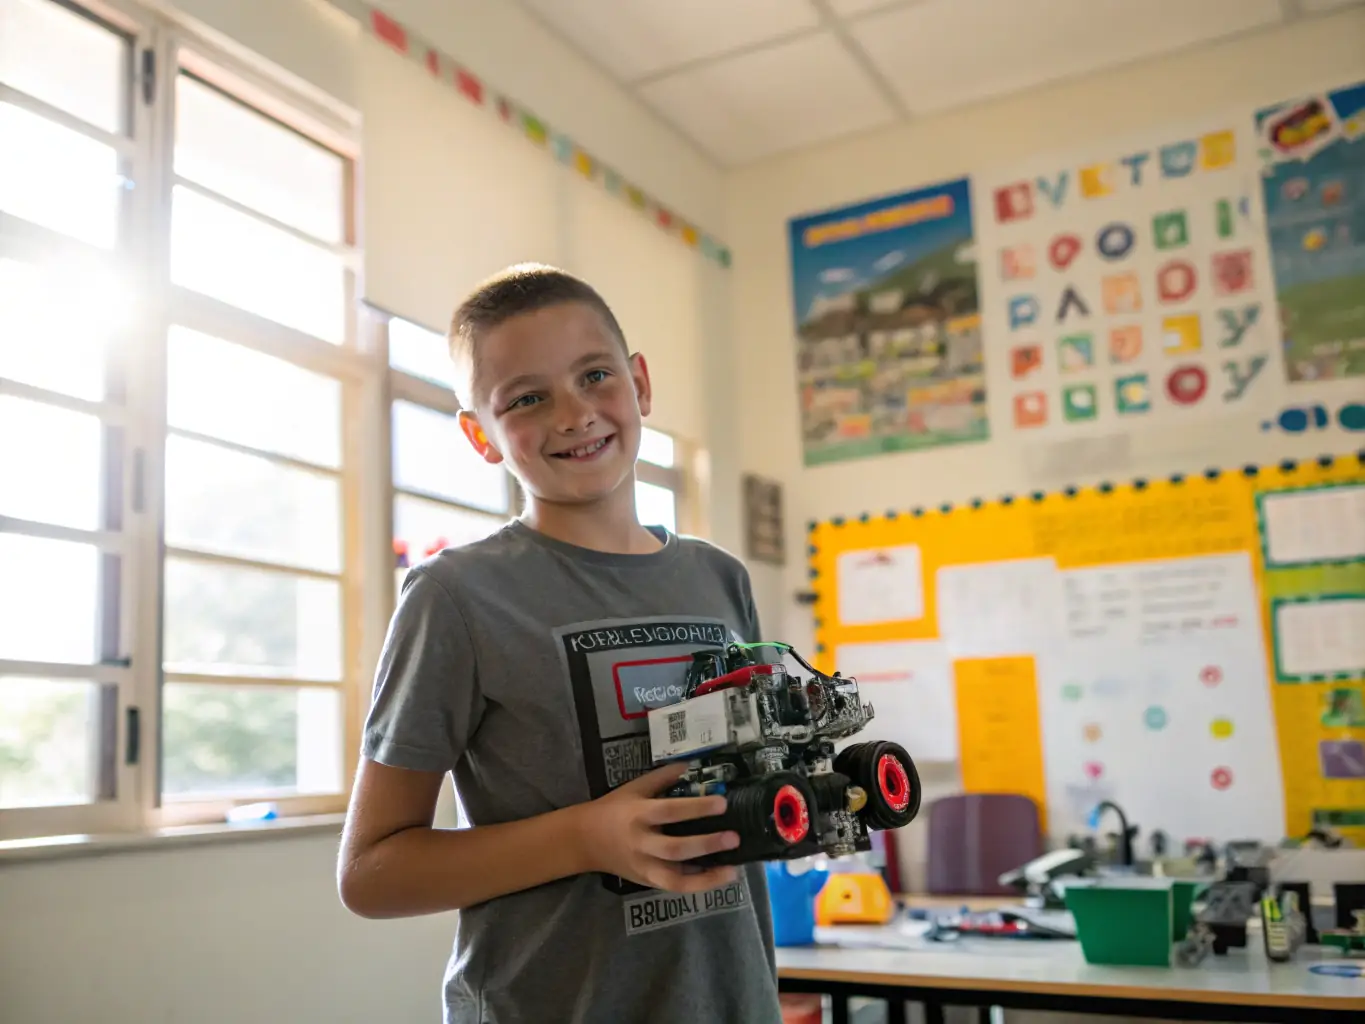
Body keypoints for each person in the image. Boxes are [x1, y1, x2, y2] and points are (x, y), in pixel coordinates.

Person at [337, 264, 783, 1024]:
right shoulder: (456, 596)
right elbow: (373, 874)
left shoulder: (719, 578)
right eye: (527, 398)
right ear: (481, 434)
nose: (574, 414)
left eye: (595, 375)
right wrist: (587, 836)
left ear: (639, 384)